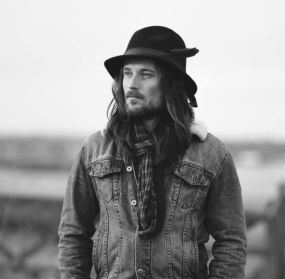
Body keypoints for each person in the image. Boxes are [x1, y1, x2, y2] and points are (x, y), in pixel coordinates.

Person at [58, 26, 247, 279]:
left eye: (146, 74)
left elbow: (231, 240)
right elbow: (73, 233)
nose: (132, 85)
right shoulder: (94, 149)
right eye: (127, 73)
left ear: (169, 84)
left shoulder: (211, 154)